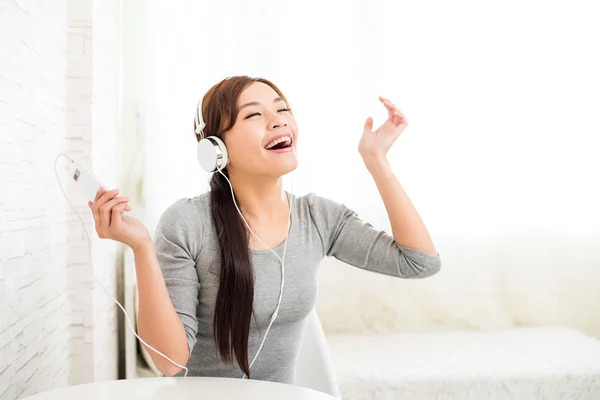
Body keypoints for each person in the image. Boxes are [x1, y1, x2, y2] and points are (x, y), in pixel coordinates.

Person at [88, 75, 441, 383]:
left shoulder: (319, 217)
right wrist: (141, 247)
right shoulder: (186, 223)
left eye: (282, 109)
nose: (278, 122)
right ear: (215, 148)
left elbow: (419, 263)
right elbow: (168, 361)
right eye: (255, 114)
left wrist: (376, 160)